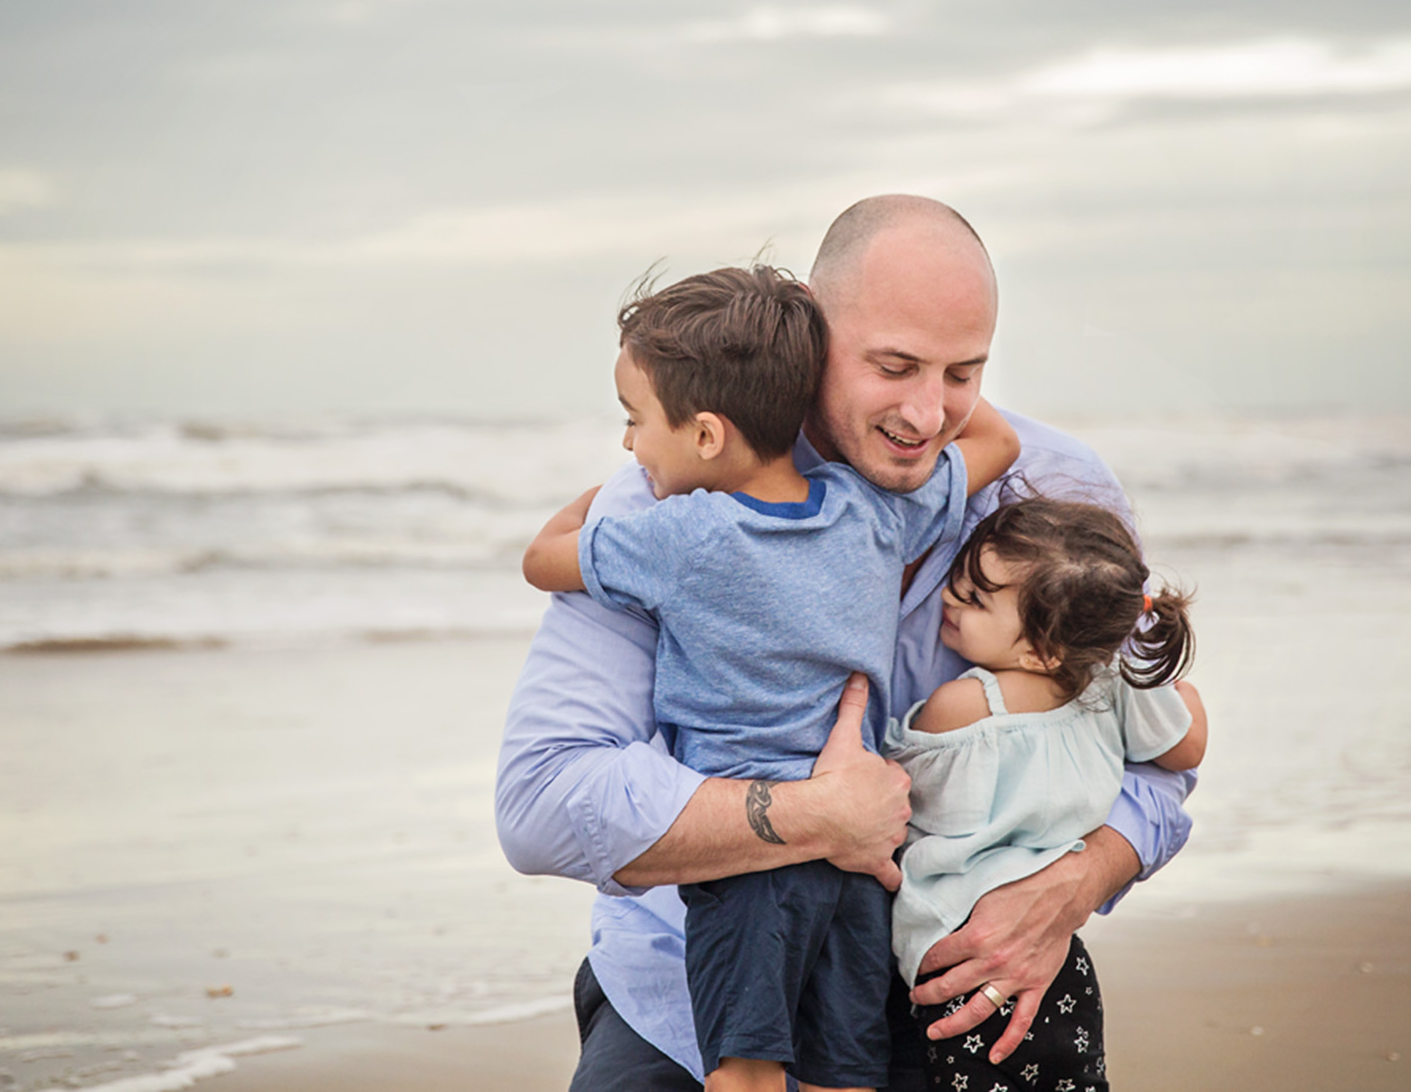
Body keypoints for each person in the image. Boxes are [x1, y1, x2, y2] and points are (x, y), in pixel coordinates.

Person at [495, 195, 1199, 1090]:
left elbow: (1154, 750)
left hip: (963, 976)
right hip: (696, 976)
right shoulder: (673, 511)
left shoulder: (1051, 490)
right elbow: (542, 801)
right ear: (812, 338)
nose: (926, 412)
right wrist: (813, 818)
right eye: (894, 365)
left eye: (962, 372)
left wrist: (1081, 876)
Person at [521, 265, 1021, 1091]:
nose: (628, 445)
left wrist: (596, 506)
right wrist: (947, 385)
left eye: (635, 421)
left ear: (708, 436)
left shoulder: (677, 534)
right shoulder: (871, 512)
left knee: (744, 1071)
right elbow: (994, 444)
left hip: (745, 867)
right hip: (862, 867)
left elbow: (541, 563)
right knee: (842, 1071)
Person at [888, 496, 1208, 1092]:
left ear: (1040, 650)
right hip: (1062, 962)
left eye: (976, 598)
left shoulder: (961, 708)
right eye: (959, 578)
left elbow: (894, 807)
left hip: (958, 960)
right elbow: (1185, 751)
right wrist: (1149, 678)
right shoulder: (1106, 687)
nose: (950, 598)